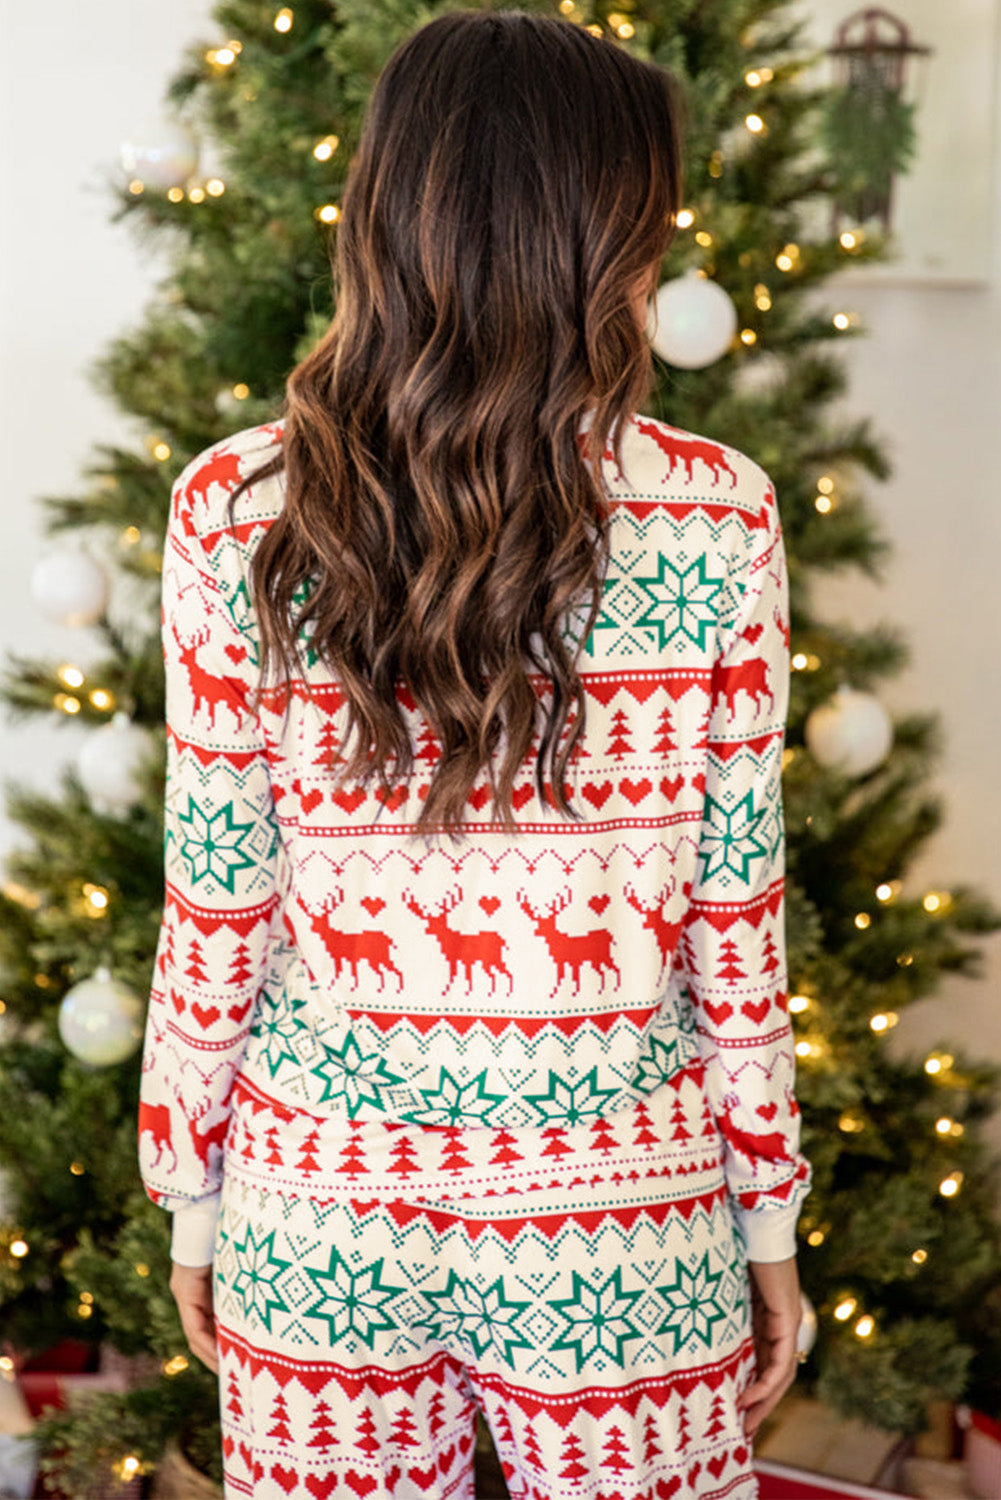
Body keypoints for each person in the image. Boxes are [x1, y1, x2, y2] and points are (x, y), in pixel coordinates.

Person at [138, 10, 812, 1498]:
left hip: (322, 1205)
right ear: (599, 234)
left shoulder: (233, 508)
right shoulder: (717, 512)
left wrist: (191, 1194)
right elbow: (738, 912)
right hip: (623, 1216)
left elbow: (217, 896)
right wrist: (767, 1218)